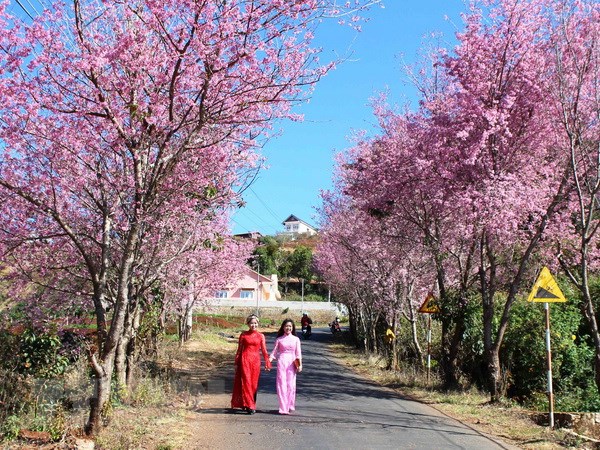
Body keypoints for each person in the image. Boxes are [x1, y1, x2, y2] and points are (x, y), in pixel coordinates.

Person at [231, 314, 271, 414]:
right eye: (251, 323)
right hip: (245, 360)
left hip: (256, 361)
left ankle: (249, 403)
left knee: (253, 384)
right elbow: (239, 350)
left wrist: (267, 362)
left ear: (258, 324)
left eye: (255, 323)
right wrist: (236, 363)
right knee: (246, 382)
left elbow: (264, 350)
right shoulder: (243, 335)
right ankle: (250, 406)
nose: (254, 325)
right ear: (248, 324)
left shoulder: (261, 336)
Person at [269, 319, 302, 415]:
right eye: (286, 326)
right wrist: (269, 361)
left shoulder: (296, 339)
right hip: (282, 362)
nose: (288, 328)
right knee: (281, 385)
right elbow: (274, 352)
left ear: (293, 328)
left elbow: (298, 353)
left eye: (290, 326)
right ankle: (283, 408)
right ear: (283, 327)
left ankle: (290, 404)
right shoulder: (279, 339)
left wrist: (300, 365)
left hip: (292, 363)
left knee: (291, 385)